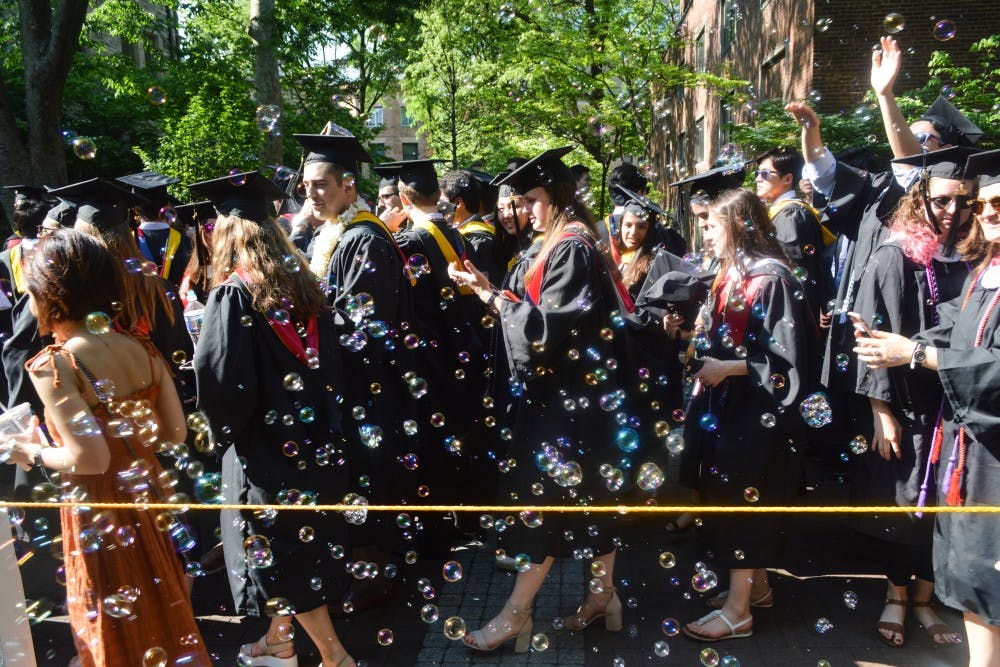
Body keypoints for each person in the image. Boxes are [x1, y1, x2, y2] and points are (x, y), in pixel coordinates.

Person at [449, 147, 658, 652]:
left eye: (533, 199)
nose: (526, 209)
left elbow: (544, 331)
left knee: (536, 504)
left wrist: (489, 298)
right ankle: (603, 596)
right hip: (581, 403)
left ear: (558, 198)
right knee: (593, 499)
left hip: (567, 408)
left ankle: (515, 615)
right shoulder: (564, 244)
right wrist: (490, 290)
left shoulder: (572, 249)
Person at [4, 228, 210, 666]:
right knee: (162, 619)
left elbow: (89, 459)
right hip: (151, 497)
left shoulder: (56, 364)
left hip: (99, 511)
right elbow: (173, 434)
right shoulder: (141, 346)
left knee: (110, 631)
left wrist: (31, 452)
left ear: (48, 292)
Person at [190, 171, 356, 667]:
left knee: (281, 555)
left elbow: (221, 382)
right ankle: (278, 641)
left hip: (264, 450)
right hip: (313, 440)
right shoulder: (305, 286)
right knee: (295, 548)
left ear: (226, 234)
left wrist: (206, 437)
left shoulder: (234, 295)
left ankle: (334, 656)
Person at [854, 148, 1000, 667]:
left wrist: (920, 352)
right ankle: (898, 598)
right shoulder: (898, 256)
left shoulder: (972, 261)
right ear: (920, 199)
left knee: (952, 522)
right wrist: (880, 406)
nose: (957, 213)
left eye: (965, 204)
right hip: (921, 407)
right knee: (908, 505)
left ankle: (924, 601)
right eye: (945, 202)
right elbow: (877, 333)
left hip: (964, 414)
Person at [681, 188, 816, 642]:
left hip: (760, 414)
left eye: (713, 226)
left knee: (744, 503)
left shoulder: (771, 280)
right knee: (734, 496)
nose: (706, 233)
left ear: (738, 227)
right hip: (734, 407)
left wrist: (727, 368)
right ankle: (754, 587)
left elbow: (787, 362)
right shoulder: (735, 275)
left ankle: (738, 612)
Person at [296, 131, 415, 614]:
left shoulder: (363, 239)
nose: (310, 194)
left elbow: (361, 323)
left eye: (320, 185)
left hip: (367, 385)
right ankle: (363, 563)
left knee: (366, 475)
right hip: (349, 382)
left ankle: (374, 574)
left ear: (349, 186)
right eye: (305, 185)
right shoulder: (333, 234)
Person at [754, 146, 830, 316]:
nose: (758, 179)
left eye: (765, 174)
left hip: (793, 310)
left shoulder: (791, 214)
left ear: (787, 179)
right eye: (757, 174)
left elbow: (794, 269)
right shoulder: (781, 211)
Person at [116, 171, 192, 288]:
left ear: (136, 210)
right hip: (178, 305)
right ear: (167, 208)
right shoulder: (186, 243)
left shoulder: (126, 243)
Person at [176, 201, 217, 306]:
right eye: (210, 227)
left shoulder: (235, 264)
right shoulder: (193, 270)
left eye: (219, 228)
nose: (215, 233)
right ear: (201, 231)